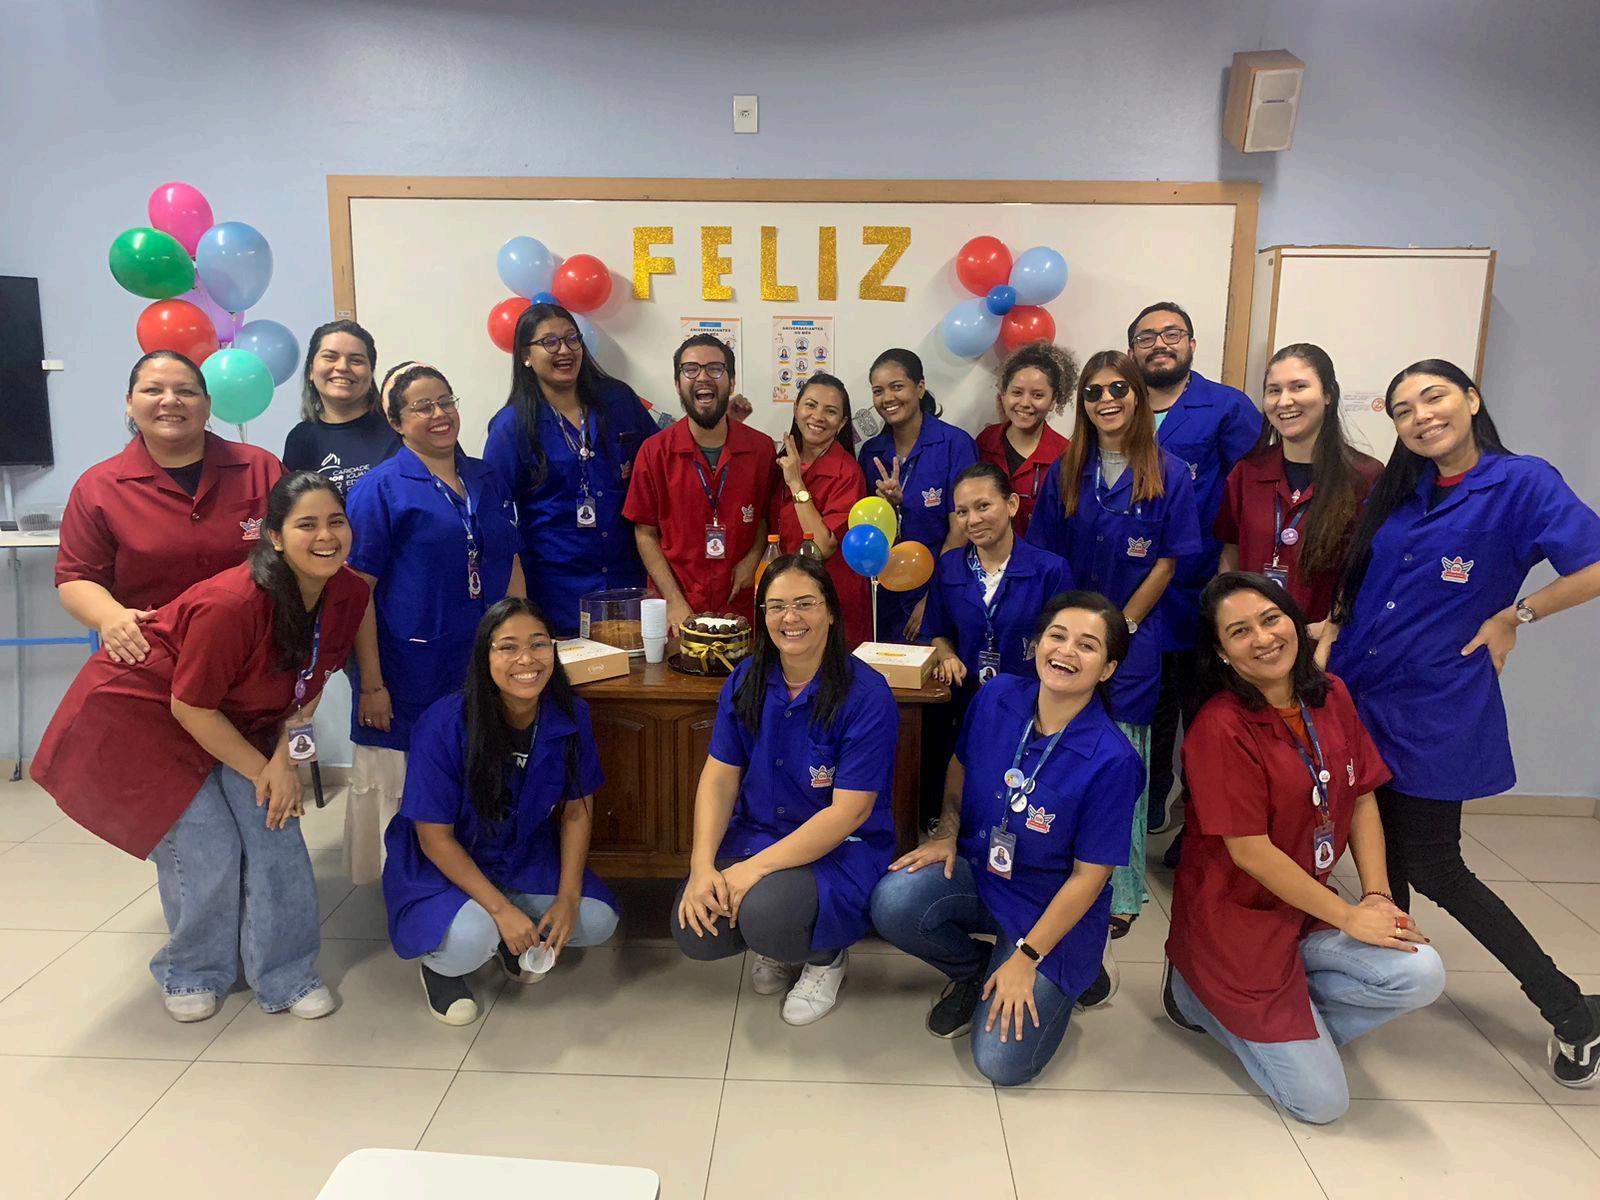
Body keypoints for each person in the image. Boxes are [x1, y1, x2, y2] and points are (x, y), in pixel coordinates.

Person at [1325, 359, 1600, 1087]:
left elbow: (1595, 564)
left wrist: (1515, 615)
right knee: (1373, 854)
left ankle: (1570, 1011)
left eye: (1434, 397)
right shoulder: (1404, 488)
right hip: (1358, 694)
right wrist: (1332, 630)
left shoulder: (1521, 482)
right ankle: (1380, 989)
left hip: (1434, 704)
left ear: (1472, 399)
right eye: (1403, 409)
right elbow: (1369, 582)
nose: (1420, 416)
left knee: (1435, 866)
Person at [32, 472, 369, 1022]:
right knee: (207, 843)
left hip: (238, 717)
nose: (326, 536)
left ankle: (285, 974)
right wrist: (264, 770)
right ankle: (192, 970)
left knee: (275, 832)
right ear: (274, 537)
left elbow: (312, 682)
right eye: (306, 524)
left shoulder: (349, 591)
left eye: (336, 521)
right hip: (147, 719)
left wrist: (283, 762)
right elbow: (189, 708)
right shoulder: (233, 604)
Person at [1165, 572, 1445, 1123]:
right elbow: (1249, 851)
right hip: (1235, 925)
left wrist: (1377, 896)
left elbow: (1361, 795)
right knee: (1322, 1104)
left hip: (1305, 914)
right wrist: (1350, 917)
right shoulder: (1220, 727)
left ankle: (1293, 1020)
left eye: (1271, 619)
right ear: (1221, 653)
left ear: (1294, 620)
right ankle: (1191, 994)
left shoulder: (1331, 694)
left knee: (1422, 973)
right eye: (1240, 632)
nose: (1263, 638)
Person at [870, 591, 1142, 1085]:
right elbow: (960, 766)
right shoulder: (998, 696)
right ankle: (975, 970)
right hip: (984, 874)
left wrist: (1027, 958)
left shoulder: (1114, 760)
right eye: (1057, 636)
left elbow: (1089, 877)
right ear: (1037, 643)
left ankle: (1077, 967)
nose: (1066, 651)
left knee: (1001, 1063)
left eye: (1087, 645)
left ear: (1107, 669)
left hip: (1049, 905)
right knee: (894, 899)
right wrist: (946, 834)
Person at [672, 555, 899, 1026]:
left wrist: (749, 872)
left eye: (805, 603)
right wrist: (701, 868)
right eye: (776, 606)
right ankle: (777, 935)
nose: (790, 618)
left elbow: (849, 813)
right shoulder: (746, 678)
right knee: (694, 929)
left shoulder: (867, 694)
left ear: (831, 611)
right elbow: (719, 777)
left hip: (840, 848)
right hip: (760, 833)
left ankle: (824, 957)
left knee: (766, 916)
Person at [1027, 351, 1200, 937]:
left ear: (1137, 395)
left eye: (1118, 388)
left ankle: (1121, 892)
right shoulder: (1065, 470)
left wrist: (1118, 629)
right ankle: (1064, 876)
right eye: (1094, 391)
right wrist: (1066, 633)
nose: (1106, 400)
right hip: (1068, 642)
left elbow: (1167, 562)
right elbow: (1047, 557)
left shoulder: (1170, 472)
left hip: (1131, 641)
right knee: (1064, 756)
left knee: (1123, 765)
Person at [383, 598, 619, 1025]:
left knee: (596, 920)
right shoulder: (443, 724)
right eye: (508, 647)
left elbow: (576, 811)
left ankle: (511, 936)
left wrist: (567, 898)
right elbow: (433, 837)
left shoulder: (569, 715)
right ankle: (441, 968)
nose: (526, 660)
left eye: (539, 644)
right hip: (444, 864)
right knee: (472, 938)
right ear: (484, 656)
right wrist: (499, 910)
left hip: (520, 855)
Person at [342, 363, 525, 885]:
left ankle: (475, 883)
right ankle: (410, 889)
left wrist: (525, 644)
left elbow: (511, 560)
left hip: (484, 660)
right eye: (423, 407)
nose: (440, 414)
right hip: (409, 668)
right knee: (412, 785)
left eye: (446, 401)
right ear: (396, 421)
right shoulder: (380, 489)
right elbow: (357, 595)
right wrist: (371, 685)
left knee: (479, 765)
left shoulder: (487, 477)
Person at [1127, 302, 1261, 836]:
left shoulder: (1226, 407)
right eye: (1146, 337)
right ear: (1133, 349)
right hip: (1138, 591)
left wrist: (1233, 570)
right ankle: (1153, 802)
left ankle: (1202, 824)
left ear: (1191, 345)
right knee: (1151, 707)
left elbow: (1250, 493)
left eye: (1172, 334)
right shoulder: (1119, 403)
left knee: (1206, 710)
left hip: (1203, 588)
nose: (1159, 344)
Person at [55, 350, 283, 665]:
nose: (170, 400)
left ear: (208, 405)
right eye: (153, 390)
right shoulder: (98, 487)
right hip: (152, 654)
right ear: (129, 403)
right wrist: (110, 616)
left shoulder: (261, 468)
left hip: (256, 653)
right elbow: (76, 578)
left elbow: (299, 552)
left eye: (186, 391)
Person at [482, 303, 660, 636]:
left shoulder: (618, 401)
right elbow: (494, 516)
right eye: (549, 342)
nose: (564, 350)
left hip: (627, 582)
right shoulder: (511, 425)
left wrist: (717, 427)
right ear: (526, 355)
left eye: (571, 339)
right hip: (556, 590)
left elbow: (662, 459)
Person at [1216, 344, 1383, 623]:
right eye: (1274, 390)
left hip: (1324, 637)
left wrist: (1332, 628)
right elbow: (1231, 551)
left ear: (1328, 394)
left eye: (1298, 387)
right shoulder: (1247, 472)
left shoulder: (1364, 476)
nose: (1284, 401)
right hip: (1256, 635)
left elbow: (1369, 568)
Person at [624, 334, 776, 634]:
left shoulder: (761, 449)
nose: (703, 377)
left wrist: (752, 560)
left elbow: (763, 519)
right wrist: (674, 601)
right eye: (691, 369)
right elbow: (645, 533)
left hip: (741, 605)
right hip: (678, 609)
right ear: (677, 383)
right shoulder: (654, 452)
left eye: (715, 369)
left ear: (732, 381)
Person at [857, 348, 978, 640]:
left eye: (897, 386)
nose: (887, 398)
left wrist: (932, 598)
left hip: (939, 592)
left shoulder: (954, 444)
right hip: (884, 597)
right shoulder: (872, 453)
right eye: (878, 391)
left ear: (920, 387)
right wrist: (889, 506)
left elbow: (961, 530)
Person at [926, 464, 1074, 689]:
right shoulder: (948, 567)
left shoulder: (1051, 571)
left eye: (983, 506)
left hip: (1029, 698)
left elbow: (1065, 645)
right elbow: (937, 632)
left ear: (1011, 504)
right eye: (962, 512)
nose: (973, 520)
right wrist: (947, 656)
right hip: (963, 697)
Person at [771, 373, 872, 646]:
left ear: (842, 423)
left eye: (830, 411)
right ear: (796, 409)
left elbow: (822, 546)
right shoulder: (781, 460)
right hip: (784, 597)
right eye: (810, 405)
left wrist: (796, 483)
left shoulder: (847, 472)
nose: (818, 417)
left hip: (830, 602)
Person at [281, 319, 399, 496]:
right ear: (311, 370)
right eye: (330, 357)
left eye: (356, 360)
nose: (343, 367)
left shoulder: (397, 426)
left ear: (370, 372)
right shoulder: (299, 440)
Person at [975, 341, 1077, 536]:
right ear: (1003, 394)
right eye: (1017, 392)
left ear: (1053, 400)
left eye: (1037, 395)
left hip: (1041, 554)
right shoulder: (985, 441)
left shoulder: (1065, 455)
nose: (1025, 403)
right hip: (988, 551)